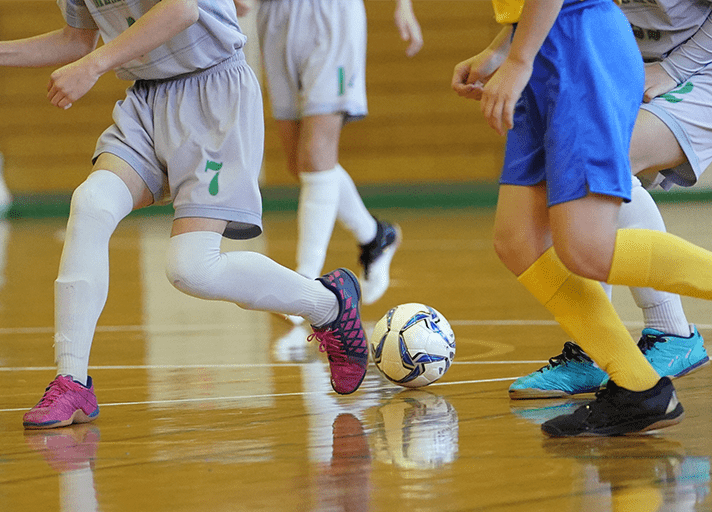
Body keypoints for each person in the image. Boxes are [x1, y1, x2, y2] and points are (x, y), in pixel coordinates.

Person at [0, 0, 370, 430]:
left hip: (214, 93)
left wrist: (94, 66)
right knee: (91, 203)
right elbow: (77, 39)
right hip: (147, 100)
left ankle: (329, 306)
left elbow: (183, 8)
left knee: (191, 269)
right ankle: (71, 380)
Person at [452, 0, 712, 436]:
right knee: (518, 240)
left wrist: (518, 58)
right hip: (548, 42)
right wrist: (505, 47)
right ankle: (639, 388)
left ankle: (663, 339)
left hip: (579, 44)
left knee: (586, 247)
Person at [233, 0, 424, 316]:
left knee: (315, 158)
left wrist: (403, 6)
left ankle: (304, 285)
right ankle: (376, 236)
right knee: (301, 164)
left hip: (329, 14)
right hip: (275, 17)